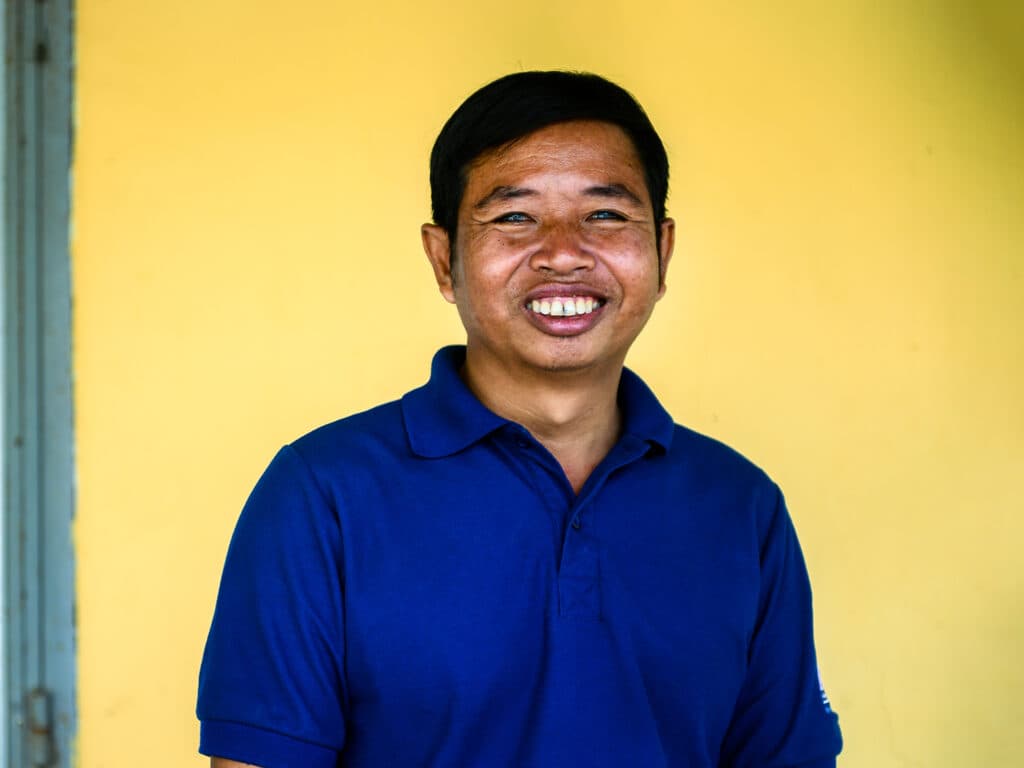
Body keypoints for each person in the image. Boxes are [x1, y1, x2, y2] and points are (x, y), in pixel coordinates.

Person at [197, 70, 843, 768]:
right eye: (514, 216)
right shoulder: (322, 495)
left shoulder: (740, 507)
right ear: (445, 262)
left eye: (605, 215)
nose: (563, 251)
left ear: (662, 253)